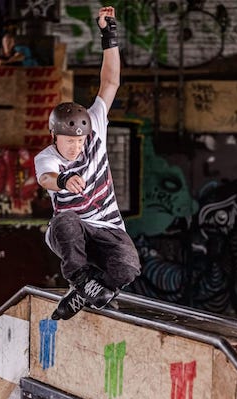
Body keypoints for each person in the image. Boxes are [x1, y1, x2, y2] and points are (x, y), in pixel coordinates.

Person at [34, 6, 141, 321]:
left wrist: (109, 34)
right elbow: (45, 178)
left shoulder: (95, 125)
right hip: (70, 235)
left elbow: (110, 82)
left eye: (80, 141)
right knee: (66, 220)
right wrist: (63, 181)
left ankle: (83, 294)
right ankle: (80, 279)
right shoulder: (47, 157)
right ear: (54, 136)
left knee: (129, 267)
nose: (76, 147)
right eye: (69, 142)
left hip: (108, 229)